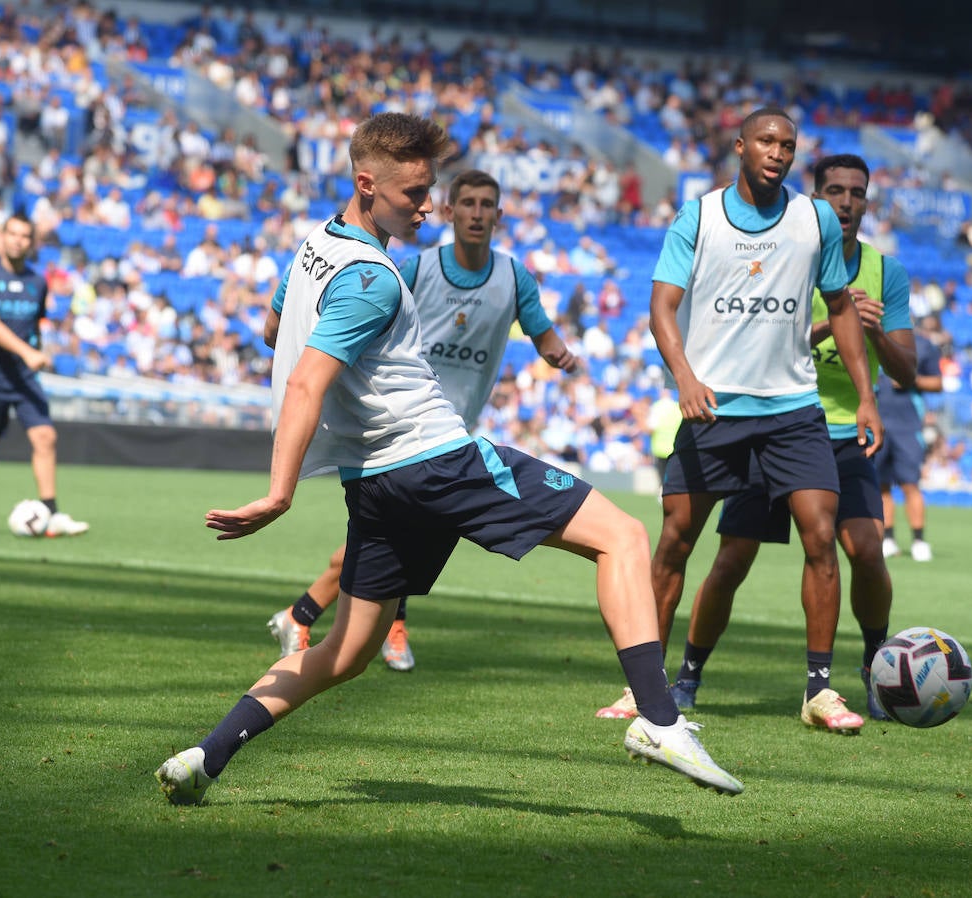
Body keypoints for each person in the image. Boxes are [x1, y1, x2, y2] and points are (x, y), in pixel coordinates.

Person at [155, 113, 743, 805]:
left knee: (342, 654)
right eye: (413, 194)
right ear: (367, 184)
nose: (426, 205)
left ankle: (205, 755)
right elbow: (307, 380)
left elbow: (271, 330)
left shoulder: (315, 245)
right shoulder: (375, 279)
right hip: (434, 457)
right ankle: (659, 719)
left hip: (374, 481)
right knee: (624, 536)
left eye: (430, 189)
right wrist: (279, 493)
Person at [595, 108, 883, 735]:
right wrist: (686, 379)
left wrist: (865, 395)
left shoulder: (813, 219)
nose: (777, 152)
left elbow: (840, 309)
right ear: (741, 146)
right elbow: (661, 308)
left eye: (788, 144)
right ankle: (643, 686)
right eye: (766, 141)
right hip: (715, 409)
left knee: (820, 537)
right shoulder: (699, 216)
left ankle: (820, 691)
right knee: (674, 544)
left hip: (793, 411)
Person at [265, 169, 579, 671]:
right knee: (402, 533)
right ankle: (378, 625)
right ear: (451, 212)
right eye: (468, 203)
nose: (477, 213)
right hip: (404, 429)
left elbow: (543, 334)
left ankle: (303, 616)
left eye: (487, 205)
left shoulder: (514, 277)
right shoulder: (410, 270)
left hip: (449, 433)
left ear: (498, 215)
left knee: (389, 539)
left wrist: (560, 354)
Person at [663, 154, 917, 723]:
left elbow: (907, 371)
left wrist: (875, 338)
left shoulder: (885, 272)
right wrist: (833, 321)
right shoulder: (789, 245)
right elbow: (758, 331)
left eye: (856, 192)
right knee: (731, 559)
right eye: (833, 191)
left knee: (865, 550)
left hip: (841, 435)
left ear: (867, 202)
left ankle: (875, 667)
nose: (845, 202)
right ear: (815, 199)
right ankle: (687, 675)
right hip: (769, 421)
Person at [0, 214, 89, 538]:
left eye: (24, 236)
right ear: (2, 237)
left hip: (25, 377)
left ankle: (53, 512)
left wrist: (36, 352)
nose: (18, 240)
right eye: (13, 234)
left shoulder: (38, 282)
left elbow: (35, 326)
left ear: (31, 242)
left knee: (46, 437)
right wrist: (28, 353)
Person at [876, 324, 942, 561]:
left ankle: (919, 540)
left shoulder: (924, 345)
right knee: (881, 485)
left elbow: (937, 383)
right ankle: (888, 539)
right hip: (878, 423)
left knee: (910, 484)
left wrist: (910, 378)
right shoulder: (871, 337)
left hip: (908, 426)